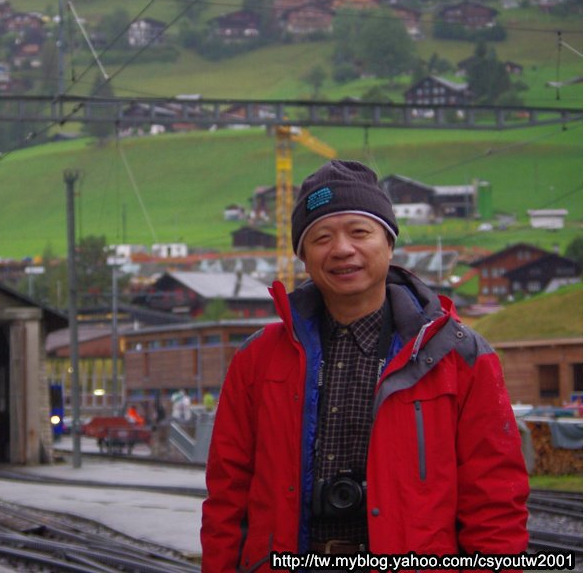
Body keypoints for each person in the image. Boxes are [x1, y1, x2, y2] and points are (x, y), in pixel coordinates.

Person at [201, 160, 529, 572]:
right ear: (303, 256)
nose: (341, 249)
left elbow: (495, 503)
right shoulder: (258, 359)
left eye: (360, 232)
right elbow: (227, 498)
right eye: (321, 237)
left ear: (389, 244)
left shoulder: (458, 356)